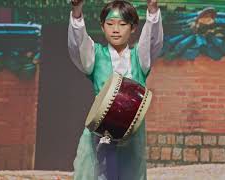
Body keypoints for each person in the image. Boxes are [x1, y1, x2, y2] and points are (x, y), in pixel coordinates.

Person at [68, 0, 163, 179]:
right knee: (93, 172)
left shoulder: (140, 58)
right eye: (110, 24)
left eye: (122, 24)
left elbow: (152, 40)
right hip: (100, 130)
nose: (115, 29)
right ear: (102, 27)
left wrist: (152, 11)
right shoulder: (95, 55)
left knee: (130, 174)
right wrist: (77, 11)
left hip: (131, 132)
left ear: (133, 27)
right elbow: (78, 44)